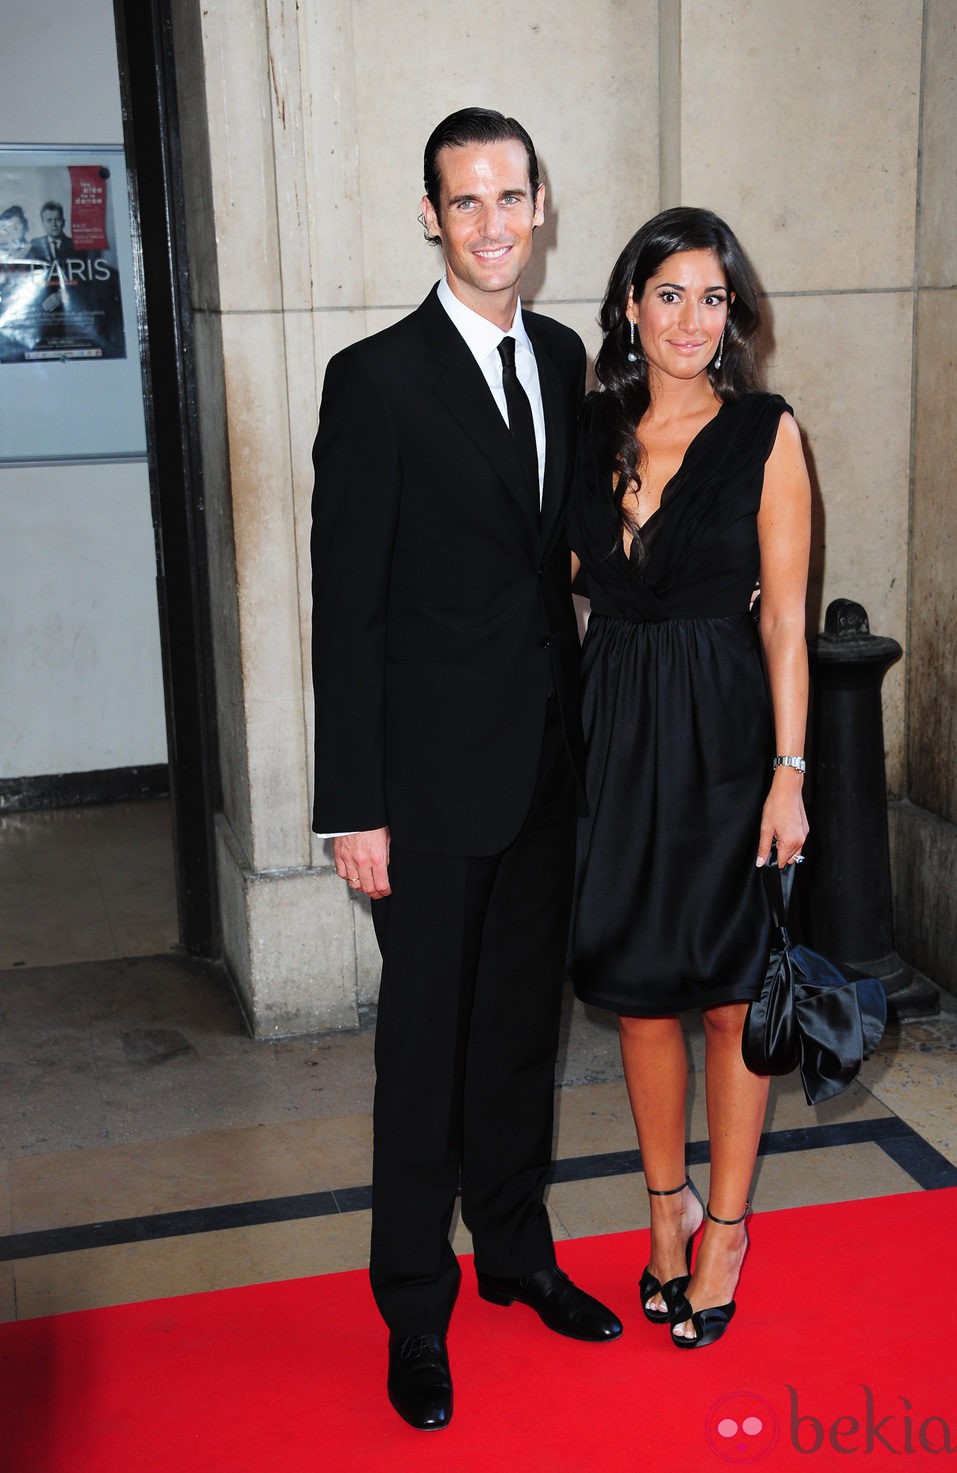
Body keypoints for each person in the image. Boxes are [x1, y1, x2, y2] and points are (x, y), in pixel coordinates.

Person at [310, 107, 622, 1432]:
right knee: (423, 1059)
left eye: (513, 196)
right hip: (428, 791)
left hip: (545, 764)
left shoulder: (560, 357)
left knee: (515, 1038)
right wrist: (352, 807)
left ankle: (516, 1250)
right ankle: (413, 1310)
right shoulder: (375, 379)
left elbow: (574, 556)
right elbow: (349, 611)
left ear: (542, 205)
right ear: (430, 219)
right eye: (466, 201)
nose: (494, 223)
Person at [567, 207, 810, 1350]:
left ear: (731, 317)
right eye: (667, 293)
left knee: (727, 995)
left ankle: (724, 1227)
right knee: (635, 989)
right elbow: (534, 575)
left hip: (723, 732)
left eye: (711, 298)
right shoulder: (585, 432)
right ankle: (660, 1211)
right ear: (627, 305)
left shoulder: (766, 432)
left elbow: (787, 629)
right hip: (611, 722)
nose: (688, 319)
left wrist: (788, 772)